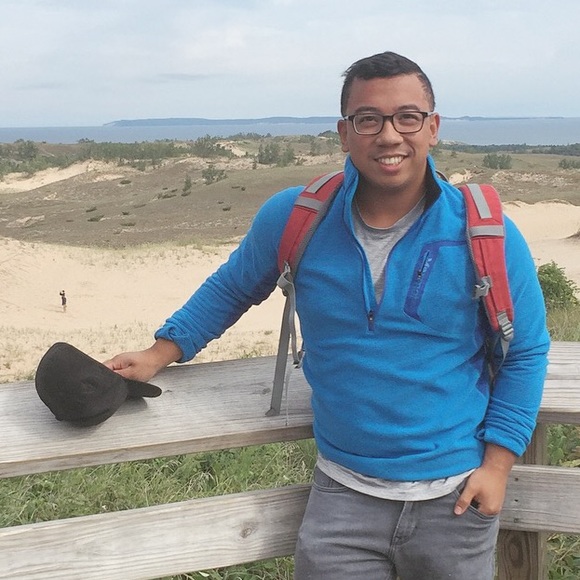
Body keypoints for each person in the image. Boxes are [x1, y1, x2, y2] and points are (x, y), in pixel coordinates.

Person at [105, 51, 550, 579]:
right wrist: (160, 353)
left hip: (456, 498)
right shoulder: (296, 216)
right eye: (369, 119)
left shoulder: (486, 232)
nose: (389, 135)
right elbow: (231, 288)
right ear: (344, 133)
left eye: (407, 117)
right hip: (342, 498)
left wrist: (498, 466)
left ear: (433, 128)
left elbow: (526, 352)